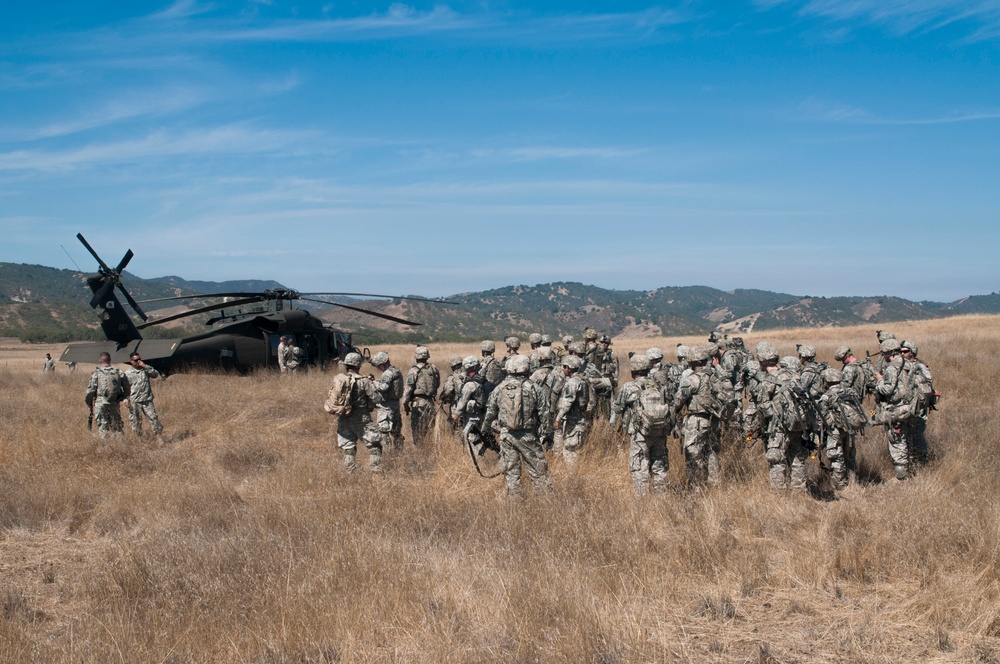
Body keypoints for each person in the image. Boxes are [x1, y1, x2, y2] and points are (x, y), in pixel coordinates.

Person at [482, 355, 553, 496]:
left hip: (506, 436)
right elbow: (545, 413)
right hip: (529, 436)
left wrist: (485, 430)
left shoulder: (499, 388)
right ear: (526, 369)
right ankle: (547, 504)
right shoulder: (534, 388)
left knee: (511, 475)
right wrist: (547, 434)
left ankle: (514, 505)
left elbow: (490, 412)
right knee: (539, 473)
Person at [612, 353, 671, 495]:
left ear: (633, 370)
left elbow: (617, 408)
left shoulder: (629, 387)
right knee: (659, 467)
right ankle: (662, 499)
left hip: (640, 433)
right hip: (660, 431)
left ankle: (642, 503)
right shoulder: (658, 385)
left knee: (640, 468)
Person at [673, 345, 723, 488]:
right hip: (714, 420)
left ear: (693, 362)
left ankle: (695, 486)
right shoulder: (715, 377)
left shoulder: (692, 379)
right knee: (712, 453)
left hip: (697, 421)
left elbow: (678, 401)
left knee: (693, 454)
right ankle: (714, 484)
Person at [874, 338, 917, 480]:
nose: (884, 356)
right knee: (907, 441)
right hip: (909, 408)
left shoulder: (892, 367)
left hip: (896, 410)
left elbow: (887, 389)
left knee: (897, 443)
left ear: (889, 352)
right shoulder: (909, 364)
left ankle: (902, 478)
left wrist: (879, 381)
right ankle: (911, 471)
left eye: (884, 353)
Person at [817, 367, 866, 489]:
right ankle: (853, 481)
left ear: (827, 381)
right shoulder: (850, 391)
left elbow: (821, 415)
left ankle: (840, 485)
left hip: (835, 429)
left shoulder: (827, 396)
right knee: (849, 453)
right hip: (851, 427)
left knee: (836, 455)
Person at [333, 352, 382, 472]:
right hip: (362, 418)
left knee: (348, 446)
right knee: (375, 445)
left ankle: (350, 471)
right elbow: (377, 398)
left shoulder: (340, 380)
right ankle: (375, 471)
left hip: (344, 417)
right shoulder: (363, 381)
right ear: (358, 366)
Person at [553, 355, 592, 467]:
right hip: (581, 421)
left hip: (574, 422)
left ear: (569, 368)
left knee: (570, 452)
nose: (563, 369)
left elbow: (567, 403)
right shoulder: (584, 380)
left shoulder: (572, 382)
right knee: (578, 451)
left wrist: (558, 419)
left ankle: (572, 478)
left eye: (564, 367)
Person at [901, 340, 934, 464]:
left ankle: (922, 460)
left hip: (919, 407)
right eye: (900, 351)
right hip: (907, 407)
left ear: (912, 352)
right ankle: (910, 460)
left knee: (917, 434)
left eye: (905, 351)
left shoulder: (920, 366)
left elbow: (928, 386)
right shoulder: (902, 367)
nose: (902, 354)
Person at [402, 346, 440, 446]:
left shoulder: (414, 371)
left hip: (418, 403)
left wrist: (405, 405)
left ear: (416, 357)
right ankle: (430, 448)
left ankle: (419, 449)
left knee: (417, 430)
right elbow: (437, 383)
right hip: (430, 403)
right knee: (430, 429)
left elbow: (408, 390)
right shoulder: (433, 369)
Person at [85, 352, 128, 438]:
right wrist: (121, 397)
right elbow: (127, 387)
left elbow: (91, 391)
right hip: (114, 403)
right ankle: (121, 446)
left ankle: (106, 446)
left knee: (103, 427)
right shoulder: (118, 372)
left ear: (100, 360)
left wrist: (89, 403)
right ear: (110, 360)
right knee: (117, 426)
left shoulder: (96, 373)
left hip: (100, 403)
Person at [124, 352, 164, 438]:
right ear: (131, 361)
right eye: (136, 360)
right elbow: (124, 388)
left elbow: (155, 374)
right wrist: (125, 400)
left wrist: (145, 366)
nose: (138, 361)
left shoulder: (145, 370)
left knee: (154, 418)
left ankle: (159, 437)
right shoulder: (127, 373)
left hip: (147, 399)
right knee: (135, 422)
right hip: (134, 400)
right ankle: (138, 439)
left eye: (139, 359)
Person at [371, 351, 404, 450]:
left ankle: (388, 454)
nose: (378, 368)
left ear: (384, 363)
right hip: (395, 405)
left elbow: (383, 387)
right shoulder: (396, 371)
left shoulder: (387, 373)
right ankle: (399, 450)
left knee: (384, 432)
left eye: (379, 366)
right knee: (396, 431)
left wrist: (373, 382)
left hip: (386, 407)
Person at [439, 356, 466, 432]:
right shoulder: (468, 375)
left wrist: (442, 398)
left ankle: (459, 441)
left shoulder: (453, 377)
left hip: (456, 405)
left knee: (456, 426)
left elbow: (448, 390)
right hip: (469, 406)